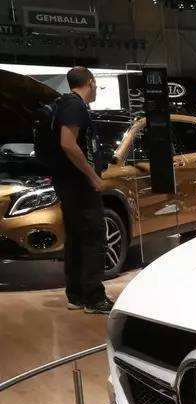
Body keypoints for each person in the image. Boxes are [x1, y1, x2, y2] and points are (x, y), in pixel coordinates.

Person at [51, 67, 111, 314]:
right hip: (79, 184)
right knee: (94, 237)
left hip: (70, 183)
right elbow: (68, 143)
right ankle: (94, 298)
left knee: (77, 238)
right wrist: (92, 176)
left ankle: (76, 295)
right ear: (91, 82)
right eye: (96, 85)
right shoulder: (74, 105)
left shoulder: (66, 104)